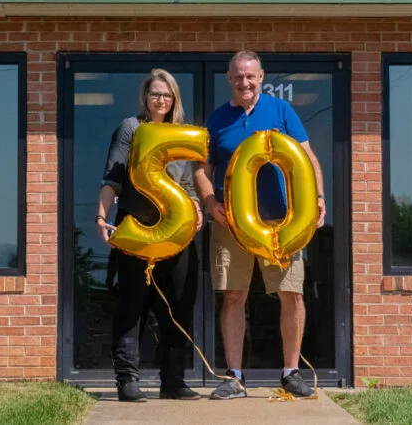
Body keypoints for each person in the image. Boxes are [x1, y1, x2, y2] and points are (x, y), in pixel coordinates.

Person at [194, 50, 326, 400]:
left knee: (291, 295)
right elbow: (201, 170)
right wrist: (210, 203)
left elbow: (307, 158)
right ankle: (234, 377)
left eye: (250, 76)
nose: (244, 82)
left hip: (283, 223)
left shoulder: (282, 111)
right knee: (234, 296)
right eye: (238, 76)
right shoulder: (217, 119)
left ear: (262, 76)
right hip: (232, 224)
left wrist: (318, 199)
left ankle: (291, 372)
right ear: (229, 79)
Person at [96, 69, 204, 402]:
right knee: (133, 303)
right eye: (156, 94)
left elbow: (187, 184)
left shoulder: (181, 135)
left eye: (167, 95)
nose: (161, 100)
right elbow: (113, 176)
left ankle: (173, 381)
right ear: (146, 97)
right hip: (138, 226)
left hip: (177, 231)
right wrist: (102, 216)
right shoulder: (132, 127)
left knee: (178, 305)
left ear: (175, 100)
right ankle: (127, 381)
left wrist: (197, 207)